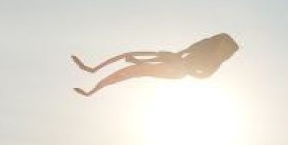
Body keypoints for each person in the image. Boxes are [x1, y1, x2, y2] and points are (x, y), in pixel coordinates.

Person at [72, 33, 239, 97]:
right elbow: (180, 54)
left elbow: (203, 75)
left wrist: (185, 66)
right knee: (136, 61)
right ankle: (92, 70)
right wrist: (142, 60)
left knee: (136, 70)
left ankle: (93, 89)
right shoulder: (204, 46)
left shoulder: (214, 61)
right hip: (177, 64)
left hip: (178, 71)